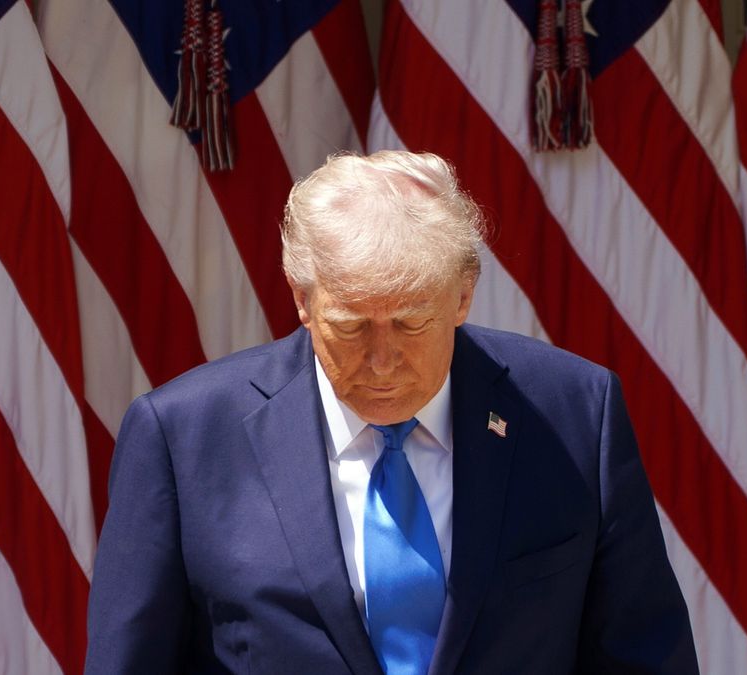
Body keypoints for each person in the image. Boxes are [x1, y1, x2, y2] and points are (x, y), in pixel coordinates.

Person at [84, 151, 699, 674]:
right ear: (302, 298)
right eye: (351, 327)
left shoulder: (574, 413)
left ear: (463, 293)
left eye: (411, 323)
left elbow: (644, 653)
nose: (382, 362)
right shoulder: (182, 438)